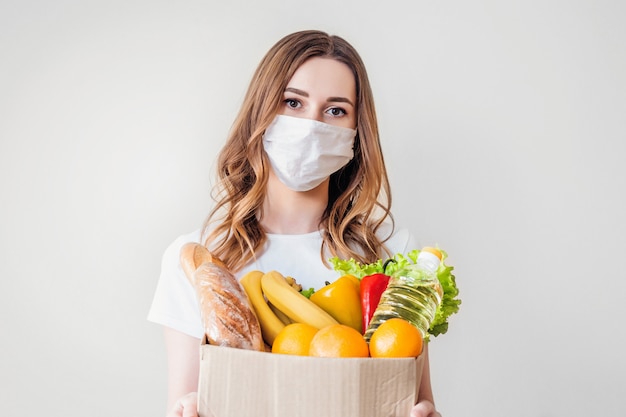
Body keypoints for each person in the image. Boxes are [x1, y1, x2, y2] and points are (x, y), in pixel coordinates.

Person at [148, 29, 442, 417]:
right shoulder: (201, 259)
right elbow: (183, 401)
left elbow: (417, 400)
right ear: (262, 112)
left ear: (356, 133)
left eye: (335, 110)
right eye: (293, 102)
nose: (311, 125)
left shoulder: (393, 253)